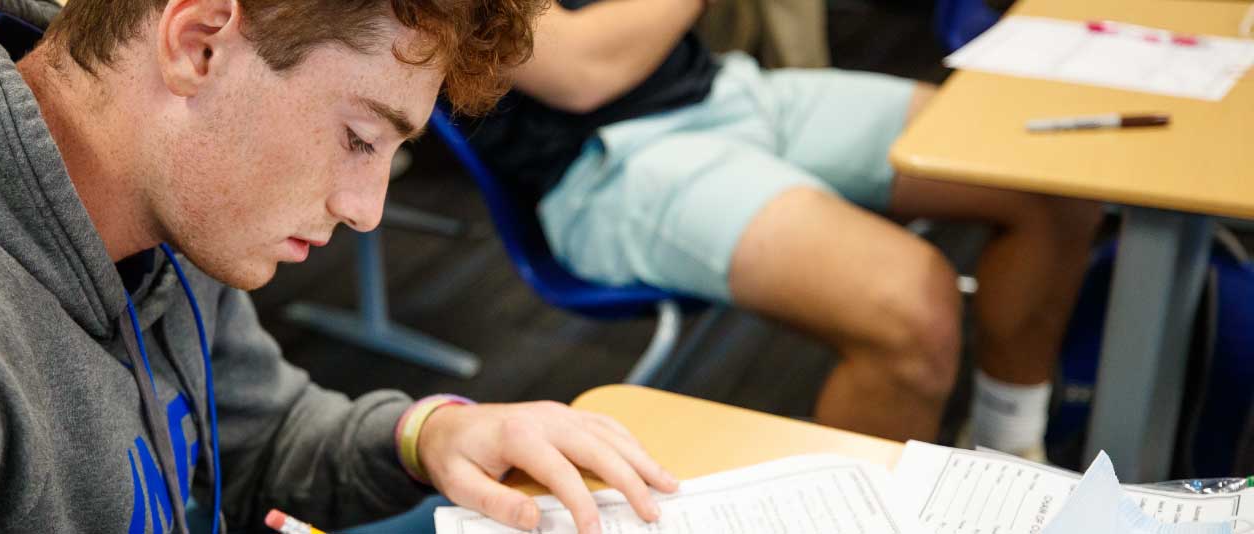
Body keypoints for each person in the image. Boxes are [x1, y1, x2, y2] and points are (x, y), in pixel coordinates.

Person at [0, 1, 680, 533]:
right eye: (361, 137)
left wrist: (433, 434)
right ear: (197, 41)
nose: (365, 210)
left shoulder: (155, 220)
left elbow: (257, 437)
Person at [467, 0, 1104, 452]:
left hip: (720, 90)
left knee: (1043, 174)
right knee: (909, 308)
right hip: (605, 162)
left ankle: (1007, 446)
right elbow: (582, 70)